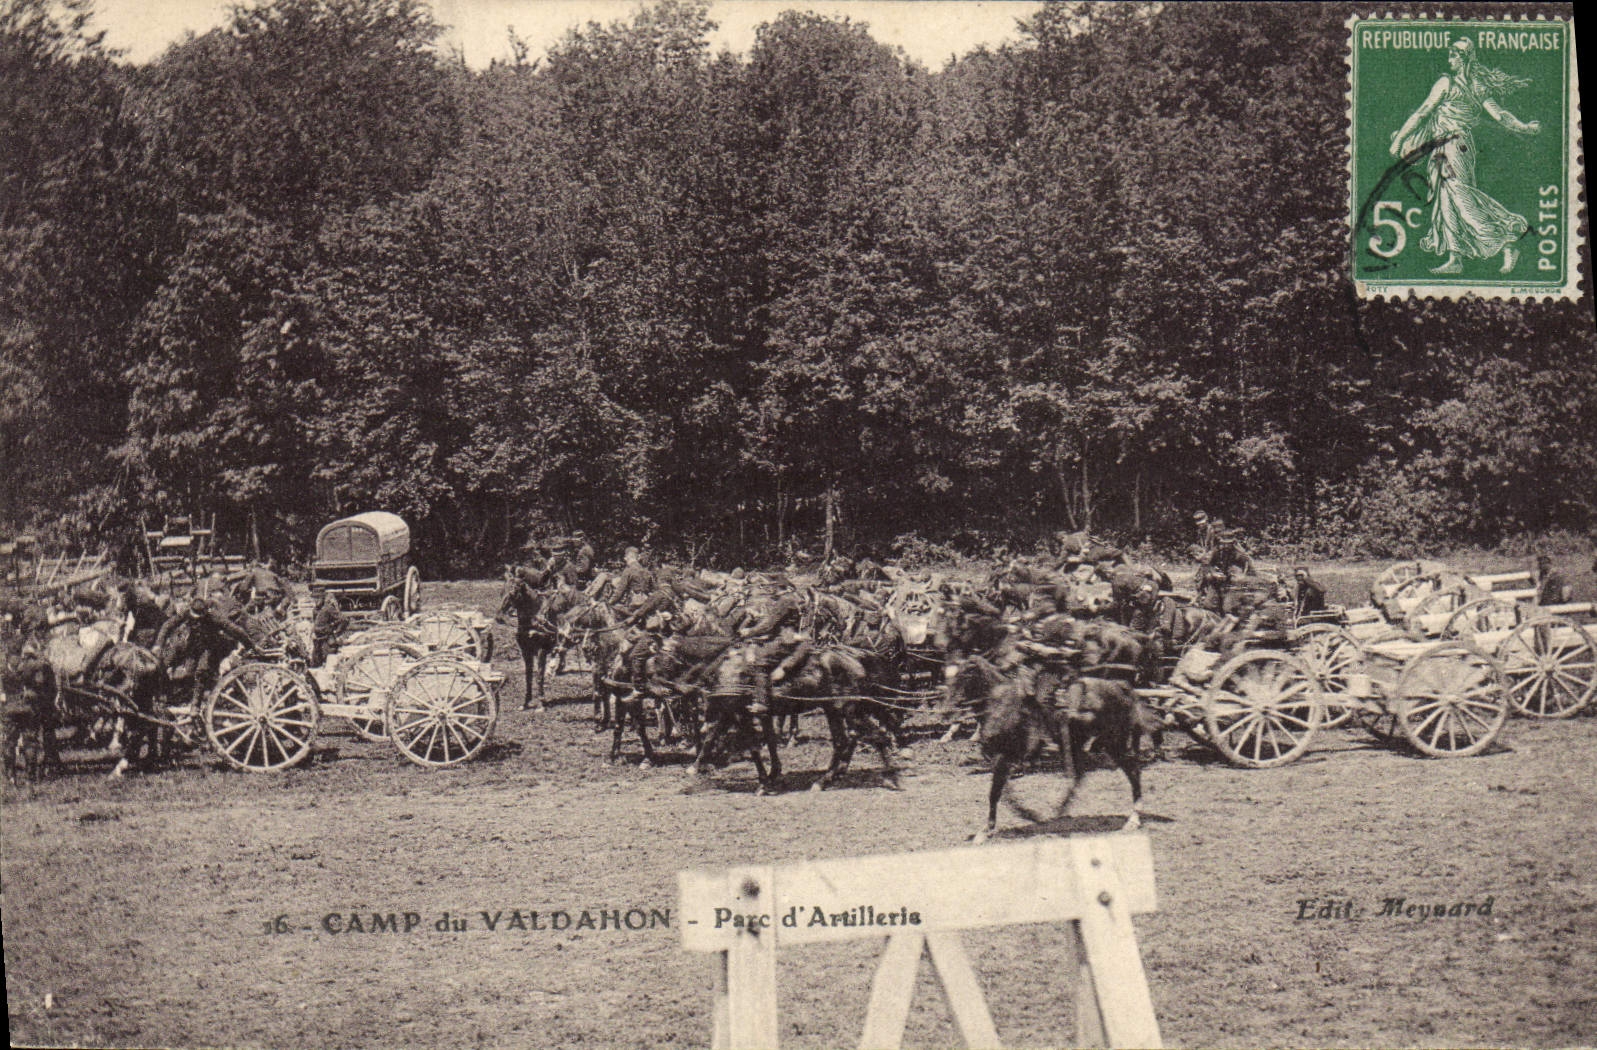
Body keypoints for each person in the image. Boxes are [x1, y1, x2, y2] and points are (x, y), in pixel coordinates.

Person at [1390, 37, 1541, 275]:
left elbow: (1422, 113)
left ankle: (1508, 237)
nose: (1449, 58)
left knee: (1460, 197)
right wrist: (1524, 127)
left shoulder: (1446, 82)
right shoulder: (1478, 85)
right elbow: (1500, 115)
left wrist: (1400, 140)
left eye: (1453, 54)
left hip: (1452, 146)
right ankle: (1455, 258)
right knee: (1447, 199)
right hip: (1456, 148)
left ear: (1462, 59)